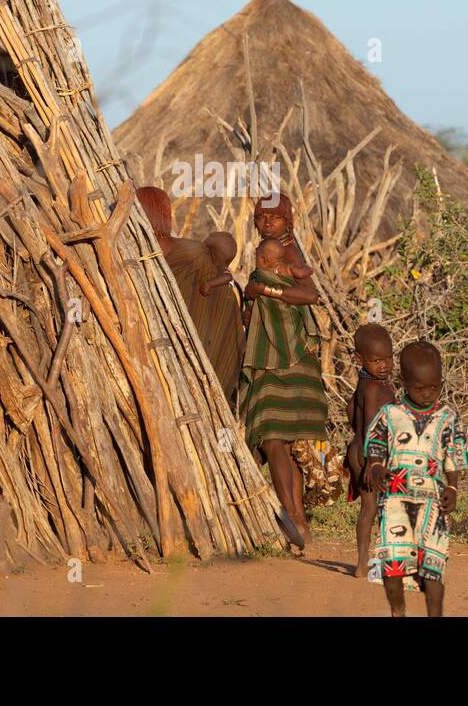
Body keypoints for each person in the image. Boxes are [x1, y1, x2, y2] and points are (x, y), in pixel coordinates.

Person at [238, 192, 326, 550]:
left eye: (274, 217)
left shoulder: (288, 253)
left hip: (285, 358)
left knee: (276, 441)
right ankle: (297, 520)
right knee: (281, 444)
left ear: (288, 219)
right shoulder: (271, 250)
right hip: (273, 354)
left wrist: (266, 291)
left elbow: (310, 295)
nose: (266, 223)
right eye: (261, 217)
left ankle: (293, 518)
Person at [363, 341, 467, 616]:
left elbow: (453, 456)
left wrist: (453, 488)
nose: (427, 394)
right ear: (403, 383)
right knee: (394, 561)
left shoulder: (448, 417)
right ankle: (398, 611)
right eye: (420, 388)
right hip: (395, 498)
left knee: (433, 567)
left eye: (434, 387)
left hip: (434, 502)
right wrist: (375, 468)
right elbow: (375, 447)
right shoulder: (390, 415)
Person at [136, 187, 244, 408]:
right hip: (198, 364)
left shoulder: (194, 256)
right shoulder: (194, 253)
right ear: (167, 215)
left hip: (181, 361)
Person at [345, 323, 396, 579]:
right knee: (377, 508)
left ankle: (363, 563)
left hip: (359, 449)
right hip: (369, 453)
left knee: (369, 508)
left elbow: (350, 413)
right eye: (377, 360)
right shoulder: (376, 389)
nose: (384, 365)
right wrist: (371, 462)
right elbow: (369, 426)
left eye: (389, 358)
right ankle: (370, 562)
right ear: (359, 359)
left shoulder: (365, 384)